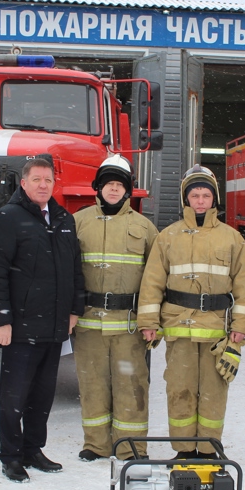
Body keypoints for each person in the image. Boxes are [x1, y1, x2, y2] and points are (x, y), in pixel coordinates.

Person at [0, 157, 85, 483]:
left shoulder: (63, 219)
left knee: (42, 395)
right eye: (37, 179)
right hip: (21, 326)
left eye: (48, 180)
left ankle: (33, 449)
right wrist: (1, 319)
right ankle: (11, 456)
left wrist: (73, 311)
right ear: (23, 183)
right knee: (15, 395)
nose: (43, 185)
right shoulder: (7, 219)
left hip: (54, 325)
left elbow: (74, 271)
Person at [138, 165, 245, 459]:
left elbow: (243, 286)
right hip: (179, 329)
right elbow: (152, 282)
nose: (200, 200)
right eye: (194, 195)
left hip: (216, 331)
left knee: (214, 393)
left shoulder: (231, 238)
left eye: (205, 195)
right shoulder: (168, 237)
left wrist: (240, 327)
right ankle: (184, 449)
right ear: (185, 199)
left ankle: (209, 448)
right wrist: (149, 321)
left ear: (214, 199)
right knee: (180, 390)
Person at [73, 155, 158, 461]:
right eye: (108, 183)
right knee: (92, 383)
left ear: (128, 191)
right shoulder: (79, 222)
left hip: (128, 325)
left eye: (119, 185)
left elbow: (155, 277)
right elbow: (67, 272)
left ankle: (131, 447)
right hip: (89, 323)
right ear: (98, 187)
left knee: (132, 386)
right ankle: (94, 445)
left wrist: (151, 321)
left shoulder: (144, 228)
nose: (113, 189)